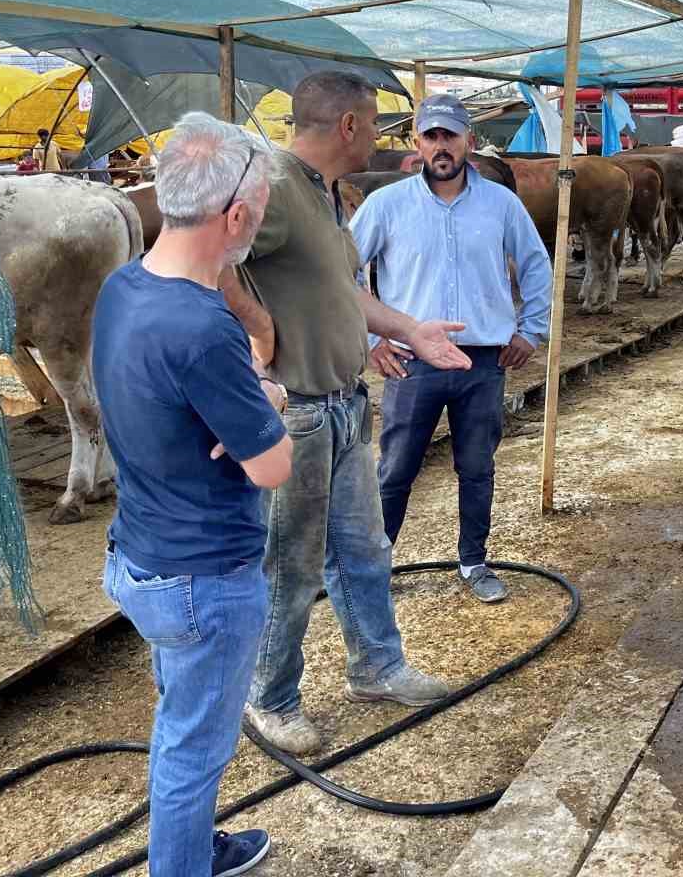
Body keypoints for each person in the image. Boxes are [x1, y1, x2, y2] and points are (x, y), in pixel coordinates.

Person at [221, 71, 471, 756]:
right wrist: (257, 338)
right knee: (291, 564)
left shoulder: (326, 195)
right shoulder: (268, 185)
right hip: (297, 410)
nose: (385, 139)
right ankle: (268, 698)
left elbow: (344, 291)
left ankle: (377, 666)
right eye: (375, 123)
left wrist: (410, 328)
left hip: (343, 405)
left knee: (363, 548)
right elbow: (208, 257)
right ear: (349, 127)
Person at [92, 112, 292, 876]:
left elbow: (168, 396)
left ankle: (187, 848)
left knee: (181, 722)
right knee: (192, 753)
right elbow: (271, 467)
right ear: (235, 215)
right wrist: (265, 405)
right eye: (263, 208)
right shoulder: (203, 326)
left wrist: (237, 404)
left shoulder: (125, 287)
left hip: (140, 551)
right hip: (203, 577)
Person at [350, 93, 551, 604]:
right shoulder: (386, 205)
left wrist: (530, 330)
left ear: (470, 141)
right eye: (431, 136)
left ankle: (473, 561)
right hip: (412, 362)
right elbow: (343, 271)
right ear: (416, 143)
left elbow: (535, 265)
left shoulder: (501, 204)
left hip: (484, 360)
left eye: (450, 136)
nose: (441, 146)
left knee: (478, 466)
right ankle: (377, 565)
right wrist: (374, 338)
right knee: (396, 467)